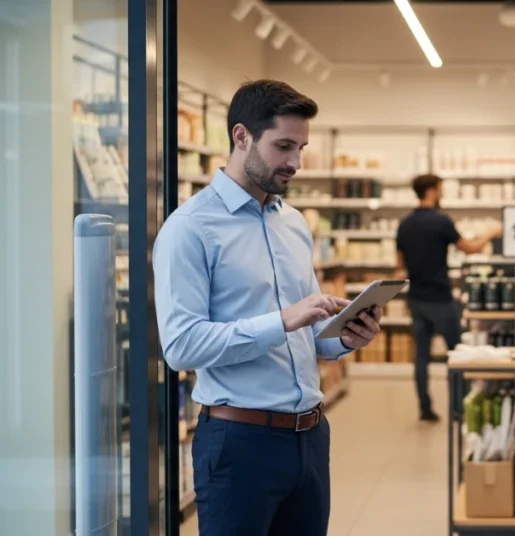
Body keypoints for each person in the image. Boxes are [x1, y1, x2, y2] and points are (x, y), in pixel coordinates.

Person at [153, 79, 383, 535]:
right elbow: (180, 346)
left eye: (300, 147)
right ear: (241, 137)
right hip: (239, 443)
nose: (295, 162)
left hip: (311, 439)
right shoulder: (190, 228)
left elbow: (308, 335)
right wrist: (282, 319)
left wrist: (344, 336)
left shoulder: (294, 223)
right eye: (283, 146)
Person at [396, 174, 502, 422]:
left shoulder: (405, 224)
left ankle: (424, 408)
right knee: (457, 353)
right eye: (440, 189)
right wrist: (491, 234)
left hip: (416, 298)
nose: (442, 193)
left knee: (421, 357)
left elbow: (399, 264)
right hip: (441, 298)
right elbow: (470, 248)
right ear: (431, 191)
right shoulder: (441, 221)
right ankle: (458, 409)